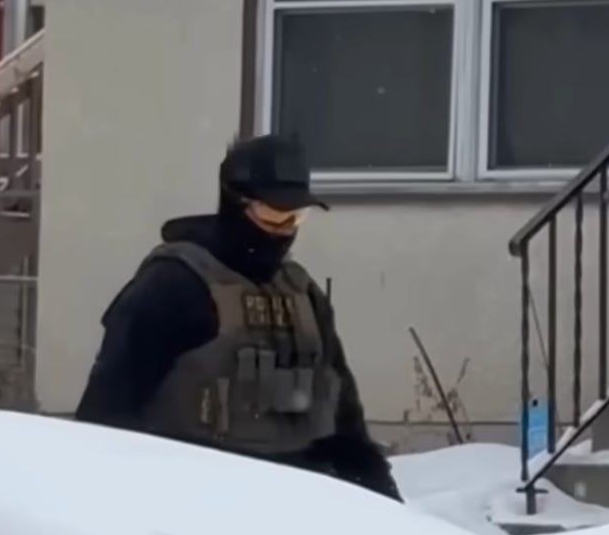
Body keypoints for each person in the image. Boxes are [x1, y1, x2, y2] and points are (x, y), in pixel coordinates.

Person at [76, 134, 401, 500]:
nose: (283, 230)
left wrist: (387, 502)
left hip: (299, 500)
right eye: (272, 215)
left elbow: (346, 422)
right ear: (234, 203)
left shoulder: (303, 294)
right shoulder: (173, 285)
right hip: (193, 500)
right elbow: (105, 416)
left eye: (296, 217)